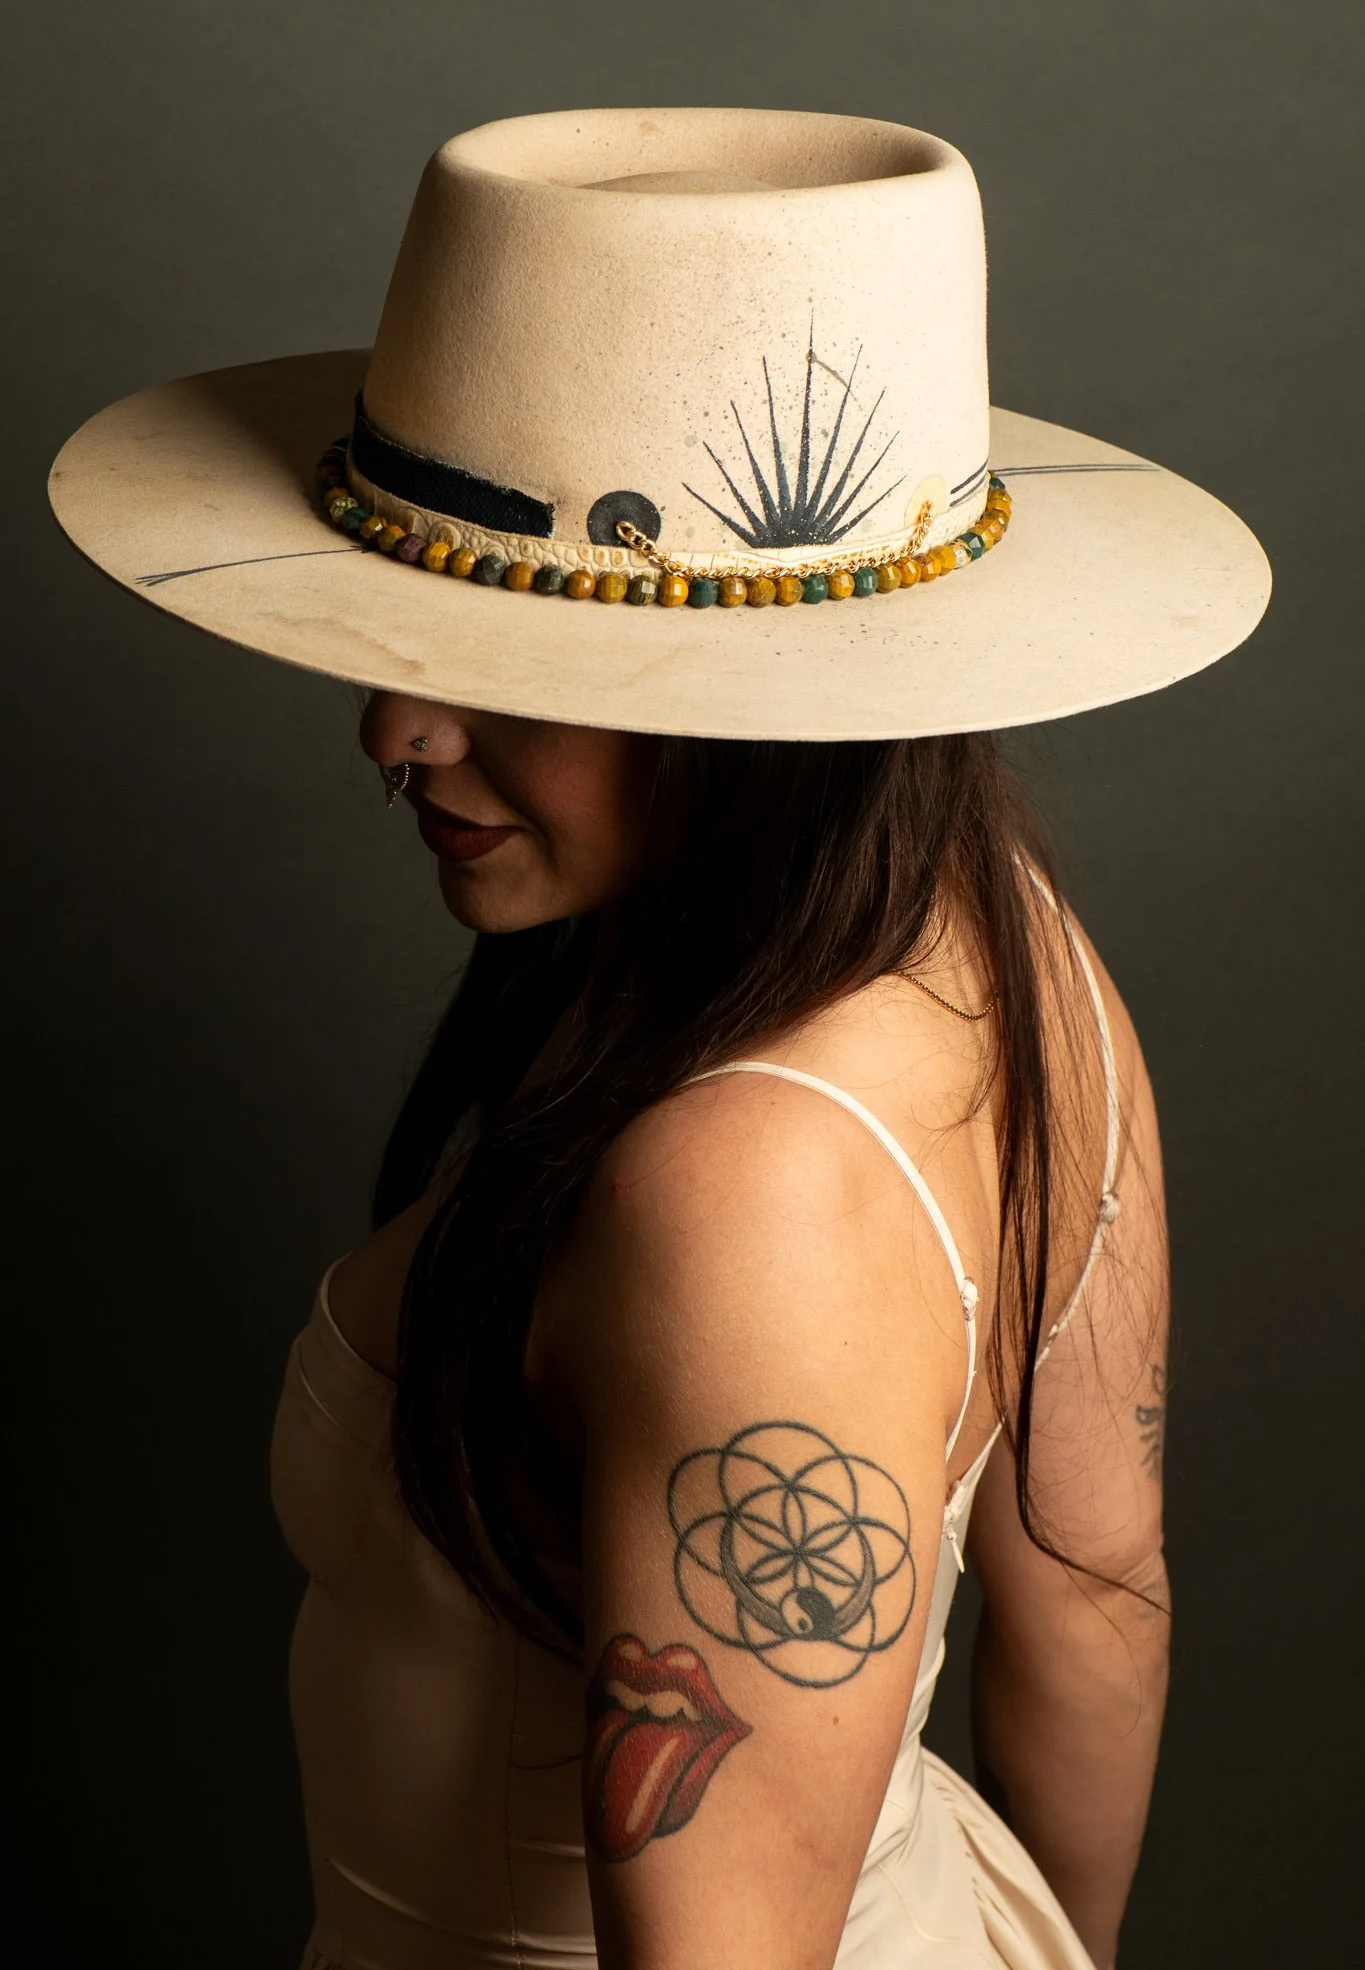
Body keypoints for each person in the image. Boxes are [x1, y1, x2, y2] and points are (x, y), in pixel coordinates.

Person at [49, 107, 1270, 1970]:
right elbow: (1099, 1598)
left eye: (513, 663)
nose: (395, 737)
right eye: (403, 635)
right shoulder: (1001, 934)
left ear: (763, 692)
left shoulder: (748, 1189)